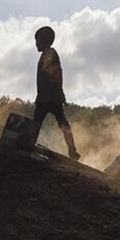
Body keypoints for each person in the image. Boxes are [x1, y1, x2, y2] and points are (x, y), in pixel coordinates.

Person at [33, 26, 80, 160]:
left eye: (37, 41)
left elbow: (57, 73)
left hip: (49, 98)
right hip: (47, 97)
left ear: (44, 41)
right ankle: (72, 151)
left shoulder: (50, 54)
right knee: (60, 124)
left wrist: (60, 92)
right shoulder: (47, 55)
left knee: (39, 123)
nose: (36, 44)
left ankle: (72, 151)